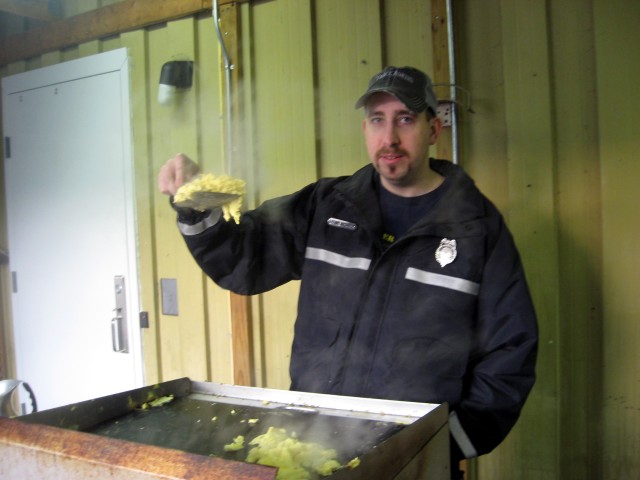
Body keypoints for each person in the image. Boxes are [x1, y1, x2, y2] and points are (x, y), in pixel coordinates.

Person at [158, 66, 538, 479]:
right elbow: (243, 260)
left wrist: (451, 442)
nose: (389, 137)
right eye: (378, 120)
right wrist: (197, 204)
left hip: (415, 457)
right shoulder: (327, 205)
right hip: (312, 446)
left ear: (433, 129)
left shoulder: (477, 228)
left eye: (405, 119)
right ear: (364, 128)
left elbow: (511, 347)